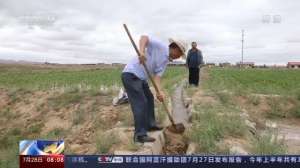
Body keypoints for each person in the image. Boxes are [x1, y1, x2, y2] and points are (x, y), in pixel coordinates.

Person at [122, 35, 187, 143]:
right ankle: (139, 135)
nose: (179, 57)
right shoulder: (160, 46)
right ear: (175, 48)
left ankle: (150, 125)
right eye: (180, 54)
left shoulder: (165, 61)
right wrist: (141, 52)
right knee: (141, 103)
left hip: (141, 78)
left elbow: (157, 77)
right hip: (131, 75)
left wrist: (159, 92)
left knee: (149, 99)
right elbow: (144, 38)